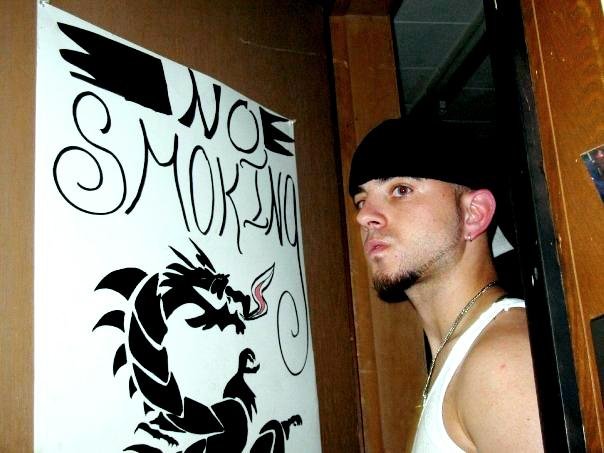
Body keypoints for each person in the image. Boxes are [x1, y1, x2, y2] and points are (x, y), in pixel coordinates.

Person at [348, 117, 543, 452]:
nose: (364, 217)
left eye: (401, 190)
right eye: (361, 200)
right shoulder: (460, 354)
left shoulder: (503, 360)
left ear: (474, 214)